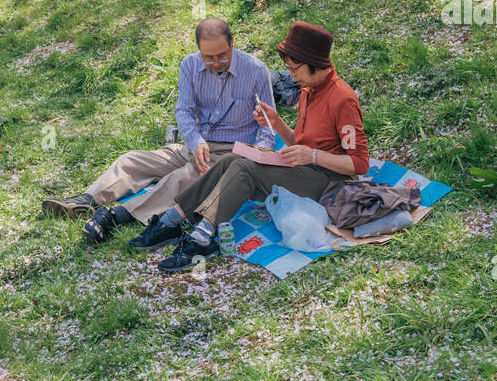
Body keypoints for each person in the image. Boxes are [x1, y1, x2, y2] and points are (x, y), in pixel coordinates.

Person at [144, 20, 370, 274]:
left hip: (331, 182)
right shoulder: (309, 90)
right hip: (308, 170)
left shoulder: (342, 99)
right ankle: (171, 221)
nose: (290, 75)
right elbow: (302, 143)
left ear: (313, 62)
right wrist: (277, 123)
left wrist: (314, 156)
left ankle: (202, 238)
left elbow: (359, 164)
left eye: (294, 68)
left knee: (244, 169)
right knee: (232, 159)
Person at [42, 18, 275, 245]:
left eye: (222, 55)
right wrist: (196, 143)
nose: (216, 63)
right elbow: (184, 111)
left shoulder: (255, 70)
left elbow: (268, 124)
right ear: (198, 51)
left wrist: (260, 155)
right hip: (195, 145)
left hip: (230, 154)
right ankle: (87, 199)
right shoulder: (190, 65)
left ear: (232, 43)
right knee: (132, 160)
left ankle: (119, 215)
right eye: (208, 58)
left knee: (183, 178)